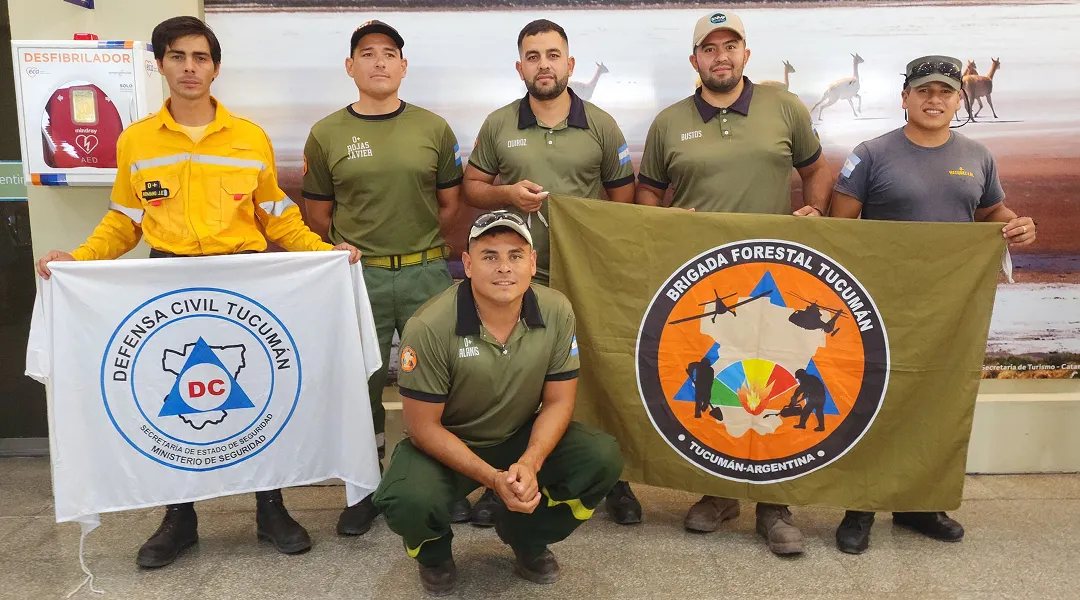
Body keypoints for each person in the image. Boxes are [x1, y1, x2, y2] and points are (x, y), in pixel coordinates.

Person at [34, 16, 361, 568]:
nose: (190, 68)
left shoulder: (248, 136)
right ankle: (179, 517)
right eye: (178, 57)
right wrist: (78, 260)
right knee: (174, 401)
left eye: (201, 57)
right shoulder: (136, 141)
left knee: (258, 389)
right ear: (160, 63)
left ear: (215, 66)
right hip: (170, 282)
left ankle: (271, 507)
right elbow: (125, 219)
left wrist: (321, 251)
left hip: (246, 280)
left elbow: (276, 213)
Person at [635, 10, 833, 556]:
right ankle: (718, 492)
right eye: (709, 48)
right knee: (721, 377)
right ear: (695, 59)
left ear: (746, 53)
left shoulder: (783, 108)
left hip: (777, 278)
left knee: (781, 375)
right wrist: (669, 225)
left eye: (731, 46)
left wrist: (813, 207)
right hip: (706, 283)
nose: (720, 56)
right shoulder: (670, 122)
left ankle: (775, 505)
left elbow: (815, 167)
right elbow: (648, 194)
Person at [830, 54, 1036, 555]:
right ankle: (860, 503)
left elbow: (991, 213)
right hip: (879, 306)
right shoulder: (871, 155)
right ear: (905, 98)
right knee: (875, 401)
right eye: (924, 91)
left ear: (957, 98)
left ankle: (920, 503)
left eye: (945, 92)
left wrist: (1017, 225)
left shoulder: (978, 156)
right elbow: (837, 231)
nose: (934, 99)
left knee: (934, 403)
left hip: (947, 309)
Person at [372, 211, 623, 596]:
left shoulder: (556, 310)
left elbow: (558, 403)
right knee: (406, 498)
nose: (504, 268)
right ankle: (434, 554)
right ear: (468, 265)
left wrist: (529, 462)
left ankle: (526, 536)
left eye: (515, 255)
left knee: (600, 457)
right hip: (446, 442)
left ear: (533, 263)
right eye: (489, 256)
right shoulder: (430, 326)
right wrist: (492, 478)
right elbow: (422, 427)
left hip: (517, 435)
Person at [462, 18, 640, 526]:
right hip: (518, 283)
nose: (544, 64)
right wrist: (506, 194)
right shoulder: (500, 124)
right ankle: (506, 478)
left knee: (599, 373)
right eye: (533, 56)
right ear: (520, 66)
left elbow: (620, 204)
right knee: (519, 380)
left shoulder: (601, 125)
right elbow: (473, 188)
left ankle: (615, 479)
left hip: (584, 276)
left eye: (553, 54)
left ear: (570, 64)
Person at [300, 20, 467, 535]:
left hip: (426, 275)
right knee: (361, 383)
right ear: (350, 67)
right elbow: (317, 215)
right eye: (367, 53)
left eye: (389, 53)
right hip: (359, 278)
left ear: (403, 66)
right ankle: (363, 490)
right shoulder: (327, 133)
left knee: (441, 380)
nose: (379, 62)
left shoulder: (433, 128)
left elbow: (450, 204)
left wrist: (413, 249)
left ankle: (449, 481)